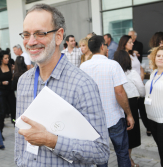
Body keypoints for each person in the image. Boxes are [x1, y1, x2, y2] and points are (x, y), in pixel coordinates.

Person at [15, 4, 109, 166]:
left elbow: (101, 152)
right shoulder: (23, 81)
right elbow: (19, 137)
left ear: (59, 36)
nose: (31, 41)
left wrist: (52, 141)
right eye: (26, 34)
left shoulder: (82, 85)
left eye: (40, 33)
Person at [80, 35, 135, 167]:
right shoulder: (113, 65)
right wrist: (129, 114)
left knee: (101, 157)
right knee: (122, 153)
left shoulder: (83, 67)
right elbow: (120, 92)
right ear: (102, 47)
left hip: (94, 120)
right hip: (114, 117)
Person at [113, 50, 145, 167]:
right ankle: (129, 161)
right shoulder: (131, 73)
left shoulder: (114, 71)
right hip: (130, 102)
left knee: (122, 132)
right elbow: (141, 88)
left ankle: (126, 159)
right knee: (131, 132)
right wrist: (141, 96)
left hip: (117, 102)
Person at [0, 51, 16, 138]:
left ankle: (16, 127)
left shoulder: (9, 66)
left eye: (8, 58)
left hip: (10, 91)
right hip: (0, 92)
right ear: (1, 59)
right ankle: (0, 133)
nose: (7, 59)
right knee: (2, 112)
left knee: (14, 111)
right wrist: (2, 83)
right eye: (6, 58)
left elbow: (11, 77)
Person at [145, 46, 163, 167]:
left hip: (162, 119)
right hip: (151, 117)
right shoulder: (154, 73)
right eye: (159, 55)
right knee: (160, 150)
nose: (161, 58)